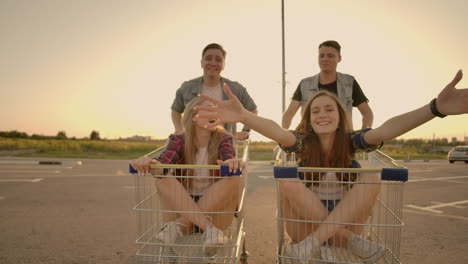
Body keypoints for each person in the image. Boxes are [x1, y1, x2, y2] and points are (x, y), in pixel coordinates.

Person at [196, 70, 467, 263]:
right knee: (288, 178)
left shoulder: (351, 142)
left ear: (340, 118)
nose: (322, 114)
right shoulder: (302, 143)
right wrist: (244, 116)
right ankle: (341, 240)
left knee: (371, 177)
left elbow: (387, 129)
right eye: (315, 111)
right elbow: (277, 131)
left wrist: (435, 108)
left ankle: (317, 245)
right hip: (305, 227)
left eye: (329, 110)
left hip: (341, 221)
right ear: (308, 119)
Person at [132, 97, 245, 247]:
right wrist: (149, 162)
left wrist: (231, 163)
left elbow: (227, 158)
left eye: (215, 110)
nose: (213, 113)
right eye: (208, 109)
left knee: (234, 178)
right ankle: (210, 230)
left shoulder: (224, 139)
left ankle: (180, 226)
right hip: (182, 204)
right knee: (161, 177)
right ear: (193, 118)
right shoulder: (179, 140)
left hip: (215, 209)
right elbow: (163, 163)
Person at [171, 43, 258, 140]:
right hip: (191, 148)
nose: (213, 63)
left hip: (225, 148)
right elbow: (175, 110)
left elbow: (252, 110)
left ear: (223, 65)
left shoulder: (236, 89)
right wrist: (179, 129)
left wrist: (245, 131)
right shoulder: (187, 87)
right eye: (208, 58)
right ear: (201, 62)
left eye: (218, 60)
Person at [282, 40, 373, 130]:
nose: (325, 59)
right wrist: (283, 139)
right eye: (321, 56)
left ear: (339, 58)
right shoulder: (305, 84)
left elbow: (367, 113)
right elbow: (289, 114)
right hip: (311, 140)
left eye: (330, 56)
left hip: (343, 139)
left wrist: (362, 137)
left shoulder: (349, 82)